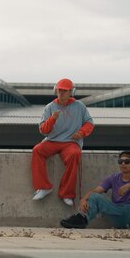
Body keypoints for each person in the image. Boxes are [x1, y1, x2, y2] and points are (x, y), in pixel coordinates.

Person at [60, 150, 130, 234]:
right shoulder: (113, 177)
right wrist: (83, 199)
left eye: (127, 161)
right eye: (121, 161)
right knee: (94, 196)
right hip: (116, 213)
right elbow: (97, 190)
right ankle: (81, 219)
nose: (123, 164)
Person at [31, 78, 94, 206]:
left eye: (65, 91)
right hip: (52, 140)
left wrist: (81, 133)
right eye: (60, 90)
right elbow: (43, 130)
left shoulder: (79, 106)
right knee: (37, 150)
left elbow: (89, 123)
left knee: (74, 155)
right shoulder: (49, 107)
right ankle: (44, 187)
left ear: (71, 92)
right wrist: (52, 119)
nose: (62, 93)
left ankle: (67, 194)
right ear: (56, 90)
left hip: (71, 142)